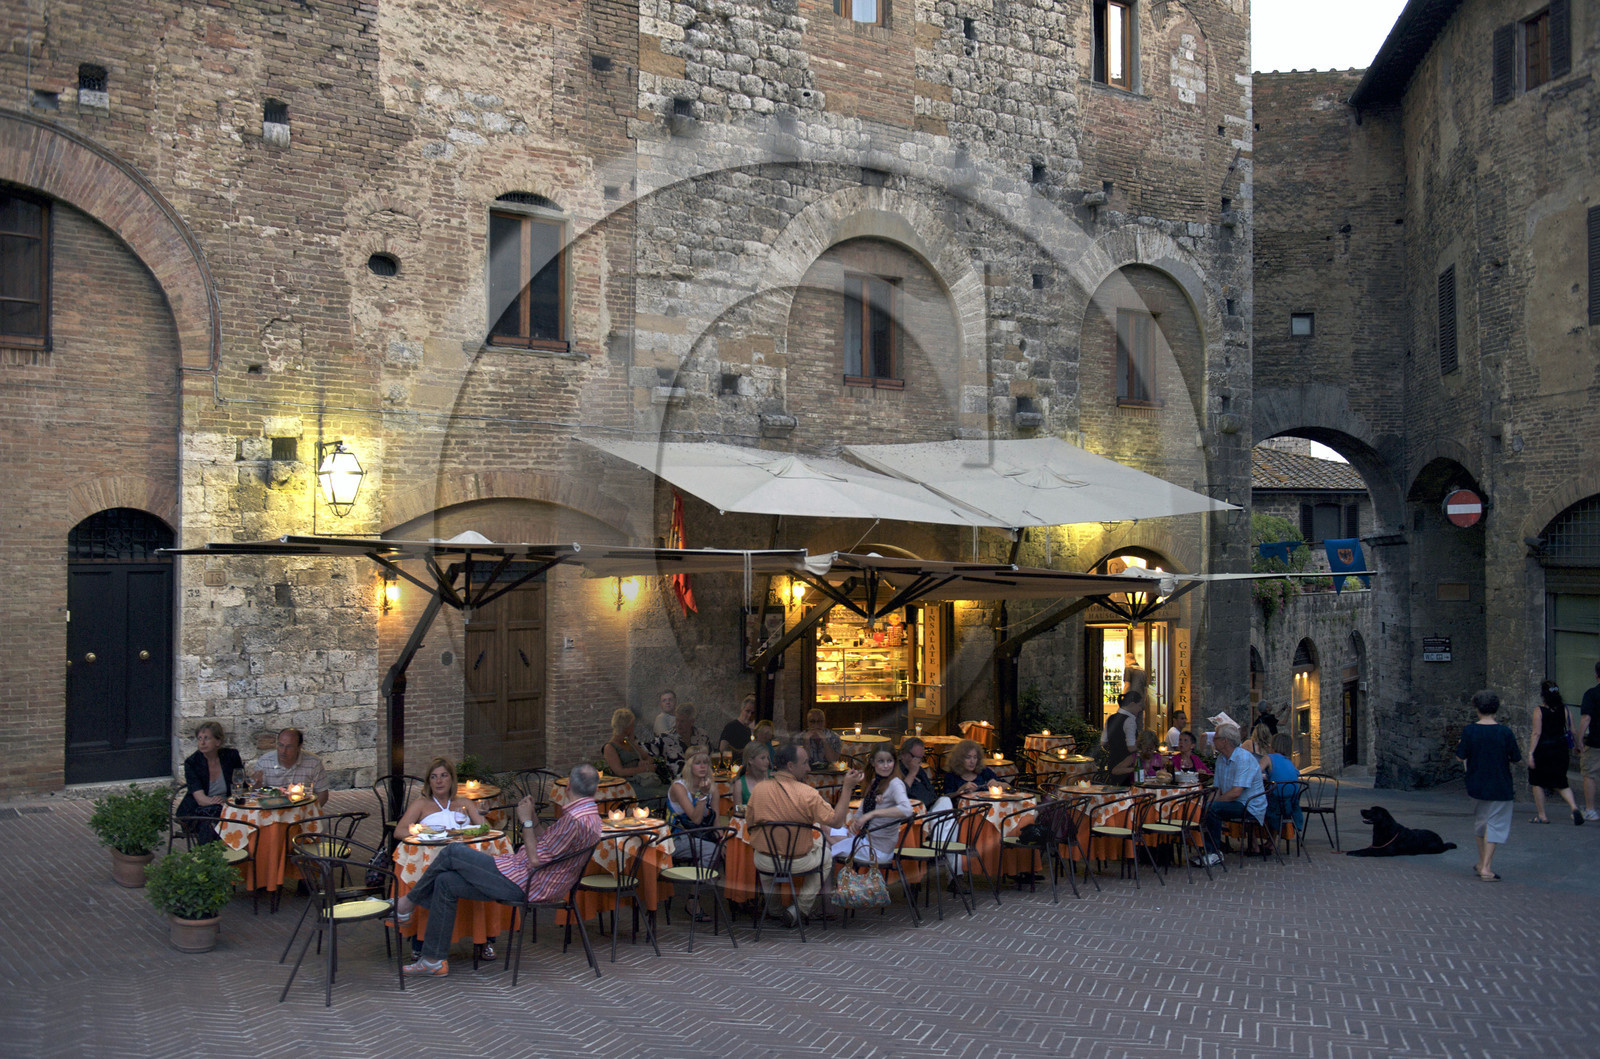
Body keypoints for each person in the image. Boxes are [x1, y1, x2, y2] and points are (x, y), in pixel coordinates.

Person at [397, 764, 602, 977]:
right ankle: (433, 960)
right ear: (595, 790)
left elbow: (535, 859)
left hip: (526, 883)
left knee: (452, 851)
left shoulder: (574, 821)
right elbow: (546, 844)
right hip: (523, 875)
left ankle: (407, 904)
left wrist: (527, 821)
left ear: (567, 787)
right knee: (445, 881)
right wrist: (534, 816)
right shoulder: (589, 817)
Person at [745, 743, 861, 925]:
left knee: (763, 855)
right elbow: (837, 821)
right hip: (797, 862)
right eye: (805, 763)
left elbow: (750, 825)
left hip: (765, 860)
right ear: (791, 766)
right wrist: (847, 788)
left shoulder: (759, 789)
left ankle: (774, 909)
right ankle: (799, 909)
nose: (808, 768)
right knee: (826, 856)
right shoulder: (808, 793)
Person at [1455, 690, 1521, 881]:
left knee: (1481, 824)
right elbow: (1515, 757)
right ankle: (1486, 867)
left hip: (1475, 783)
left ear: (1477, 708)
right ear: (1496, 708)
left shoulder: (1469, 731)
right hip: (1500, 784)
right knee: (1496, 825)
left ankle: (1481, 862)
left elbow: (1460, 755)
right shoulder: (1504, 732)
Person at [1196, 722, 1266, 867]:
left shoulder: (1243, 758)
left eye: (1215, 738)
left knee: (1213, 809)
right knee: (1202, 808)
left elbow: (1236, 792)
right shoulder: (1221, 760)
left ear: (1225, 741)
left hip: (1249, 804)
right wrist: (1205, 805)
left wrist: (1211, 805)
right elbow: (1217, 789)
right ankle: (1208, 849)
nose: (1213, 741)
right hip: (1235, 802)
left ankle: (1214, 853)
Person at [831, 747, 911, 863]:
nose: (886, 766)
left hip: (876, 850)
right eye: (881, 761)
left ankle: (831, 875)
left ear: (895, 762)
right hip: (864, 839)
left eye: (889, 761)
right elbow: (861, 811)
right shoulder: (875, 783)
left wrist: (872, 814)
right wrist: (855, 821)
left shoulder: (895, 784)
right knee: (825, 828)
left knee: (825, 848)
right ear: (873, 762)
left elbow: (907, 809)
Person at [177, 721, 244, 844]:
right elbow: (200, 799)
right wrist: (220, 803)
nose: (202, 743)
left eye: (206, 738)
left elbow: (240, 785)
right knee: (210, 820)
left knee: (244, 816)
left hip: (226, 807)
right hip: (197, 810)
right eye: (199, 739)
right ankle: (209, 856)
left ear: (218, 741)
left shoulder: (231, 756)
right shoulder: (192, 763)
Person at [1527, 679, 1582, 825]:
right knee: (1561, 782)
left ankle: (1542, 815)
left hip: (1543, 749)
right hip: (1560, 749)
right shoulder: (1565, 709)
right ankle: (1574, 807)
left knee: (1537, 781)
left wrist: (1531, 753)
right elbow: (1573, 730)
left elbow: (1536, 733)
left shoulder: (1539, 711)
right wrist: (1578, 745)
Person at [393, 758, 487, 840]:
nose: (438, 781)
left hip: (464, 851)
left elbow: (488, 830)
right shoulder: (421, 804)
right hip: (435, 853)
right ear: (429, 782)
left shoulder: (465, 803)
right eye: (433, 777)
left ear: (452, 779)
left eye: (443, 775)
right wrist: (426, 834)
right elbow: (399, 832)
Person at [667, 746, 719, 869]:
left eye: (705, 762)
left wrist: (723, 840)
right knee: (711, 850)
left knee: (728, 846)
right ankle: (698, 882)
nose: (702, 766)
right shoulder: (678, 787)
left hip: (702, 833)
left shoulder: (713, 788)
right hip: (677, 837)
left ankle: (705, 882)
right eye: (697, 763)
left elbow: (716, 821)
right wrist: (702, 794)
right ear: (689, 766)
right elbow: (696, 819)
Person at [250, 727, 329, 806]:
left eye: (289, 747)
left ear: (299, 747)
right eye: (280, 745)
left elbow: (322, 793)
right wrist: (257, 783)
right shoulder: (264, 762)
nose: (283, 751)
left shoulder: (313, 763)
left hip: (302, 811)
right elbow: (254, 793)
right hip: (272, 811)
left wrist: (312, 812)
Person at [601, 707, 665, 800]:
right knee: (659, 796)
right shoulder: (610, 747)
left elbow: (649, 758)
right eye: (632, 725)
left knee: (667, 791)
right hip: (628, 785)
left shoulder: (630, 743)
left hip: (644, 780)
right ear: (627, 727)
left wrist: (645, 762)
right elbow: (620, 772)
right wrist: (644, 769)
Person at [650, 702, 710, 780]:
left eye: (682, 721)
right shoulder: (665, 738)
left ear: (692, 722)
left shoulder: (702, 736)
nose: (678, 724)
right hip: (678, 783)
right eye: (677, 720)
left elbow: (710, 759)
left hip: (702, 781)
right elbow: (648, 751)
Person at [1262, 732, 1303, 836]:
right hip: (1292, 802)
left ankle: (1260, 842)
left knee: (1253, 809)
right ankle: (1271, 842)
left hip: (1276, 801)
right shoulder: (1289, 762)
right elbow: (1295, 774)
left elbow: (1254, 772)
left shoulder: (1269, 757)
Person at [1101, 691, 1141, 784]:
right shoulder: (1130, 721)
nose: (1140, 709)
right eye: (1139, 706)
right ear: (1133, 704)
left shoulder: (1111, 718)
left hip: (1112, 761)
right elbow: (1131, 748)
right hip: (1126, 766)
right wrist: (1142, 746)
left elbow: (1103, 742)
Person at [1581, 662, 1600, 821]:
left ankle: (1590, 809)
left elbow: (1586, 718)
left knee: (1589, 774)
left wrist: (1579, 738)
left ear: (1596, 675)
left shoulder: (1592, 694)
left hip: (1596, 741)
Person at [896, 738, 938, 806]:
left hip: (930, 807)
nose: (918, 761)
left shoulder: (919, 769)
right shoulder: (895, 770)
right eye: (915, 757)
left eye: (921, 758)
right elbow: (900, 794)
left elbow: (930, 790)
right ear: (903, 754)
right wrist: (912, 773)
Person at [735, 740, 771, 807]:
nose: (767, 761)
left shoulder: (773, 779)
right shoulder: (740, 784)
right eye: (762, 758)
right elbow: (737, 812)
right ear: (750, 760)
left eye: (768, 758)